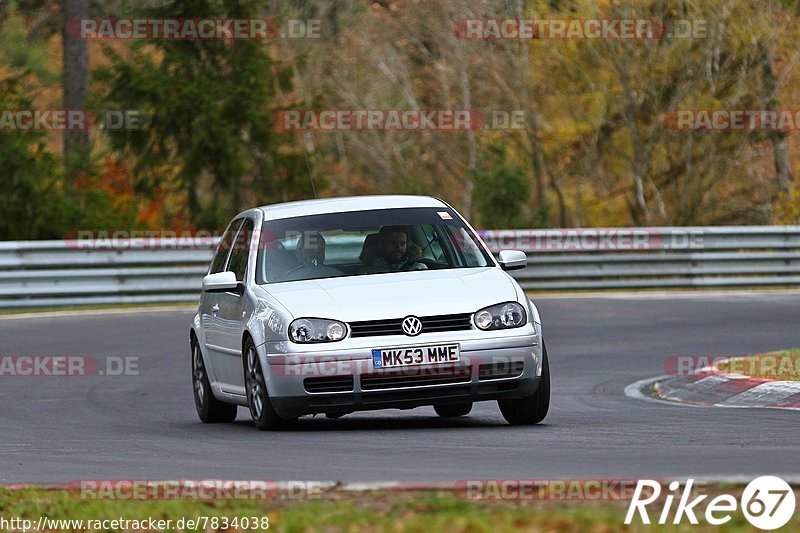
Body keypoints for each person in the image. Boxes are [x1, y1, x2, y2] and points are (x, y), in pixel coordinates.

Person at [360, 225, 427, 273]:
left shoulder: (419, 269)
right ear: (381, 245)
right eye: (393, 243)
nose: (398, 248)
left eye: (402, 243)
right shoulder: (367, 273)